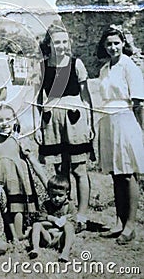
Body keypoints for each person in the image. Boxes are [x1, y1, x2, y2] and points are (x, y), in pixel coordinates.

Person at [35, 24, 94, 231]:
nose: (60, 46)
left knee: (79, 169)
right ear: (48, 44)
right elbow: (38, 100)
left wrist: (90, 124)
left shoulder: (76, 64)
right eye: (56, 42)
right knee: (61, 169)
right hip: (52, 120)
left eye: (63, 41)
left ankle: (82, 216)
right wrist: (37, 128)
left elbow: (87, 98)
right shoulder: (42, 67)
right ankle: (65, 213)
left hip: (74, 118)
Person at [97, 25, 144, 244]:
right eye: (109, 44)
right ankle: (119, 221)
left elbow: (138, 103)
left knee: (128, 174)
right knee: (115, 174)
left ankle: (131, 225)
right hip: (108, 120)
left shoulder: (129, 66)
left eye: (116, 43)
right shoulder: (104, 69)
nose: (113, 47)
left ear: (123, 44)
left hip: (125, 119)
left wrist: (141, 131)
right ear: (104, 46)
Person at [0, 104, 38, 241]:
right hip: (0, 178)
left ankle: (19, 234)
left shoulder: (19, 139)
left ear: (15, 120)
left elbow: (31, 160)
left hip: (17, 178)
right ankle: (6, 231)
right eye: (0, 120)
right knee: (4, 206)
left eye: (8, 119)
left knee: (17, 206)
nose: (4, 123)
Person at [28, 174, 75, 262]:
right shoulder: (46, 205)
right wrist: (53, 219)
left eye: (60, 195)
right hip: (48, 237)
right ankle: (35, 248)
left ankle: (65, 252)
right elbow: (40, 219)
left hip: (60, 238)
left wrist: (64, 221)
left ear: (66, 194)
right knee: (36, 225)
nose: (57, 198)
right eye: (53, 195)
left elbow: (74, 224)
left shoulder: (69, 206)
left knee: (69, 226)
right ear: (48, 193)